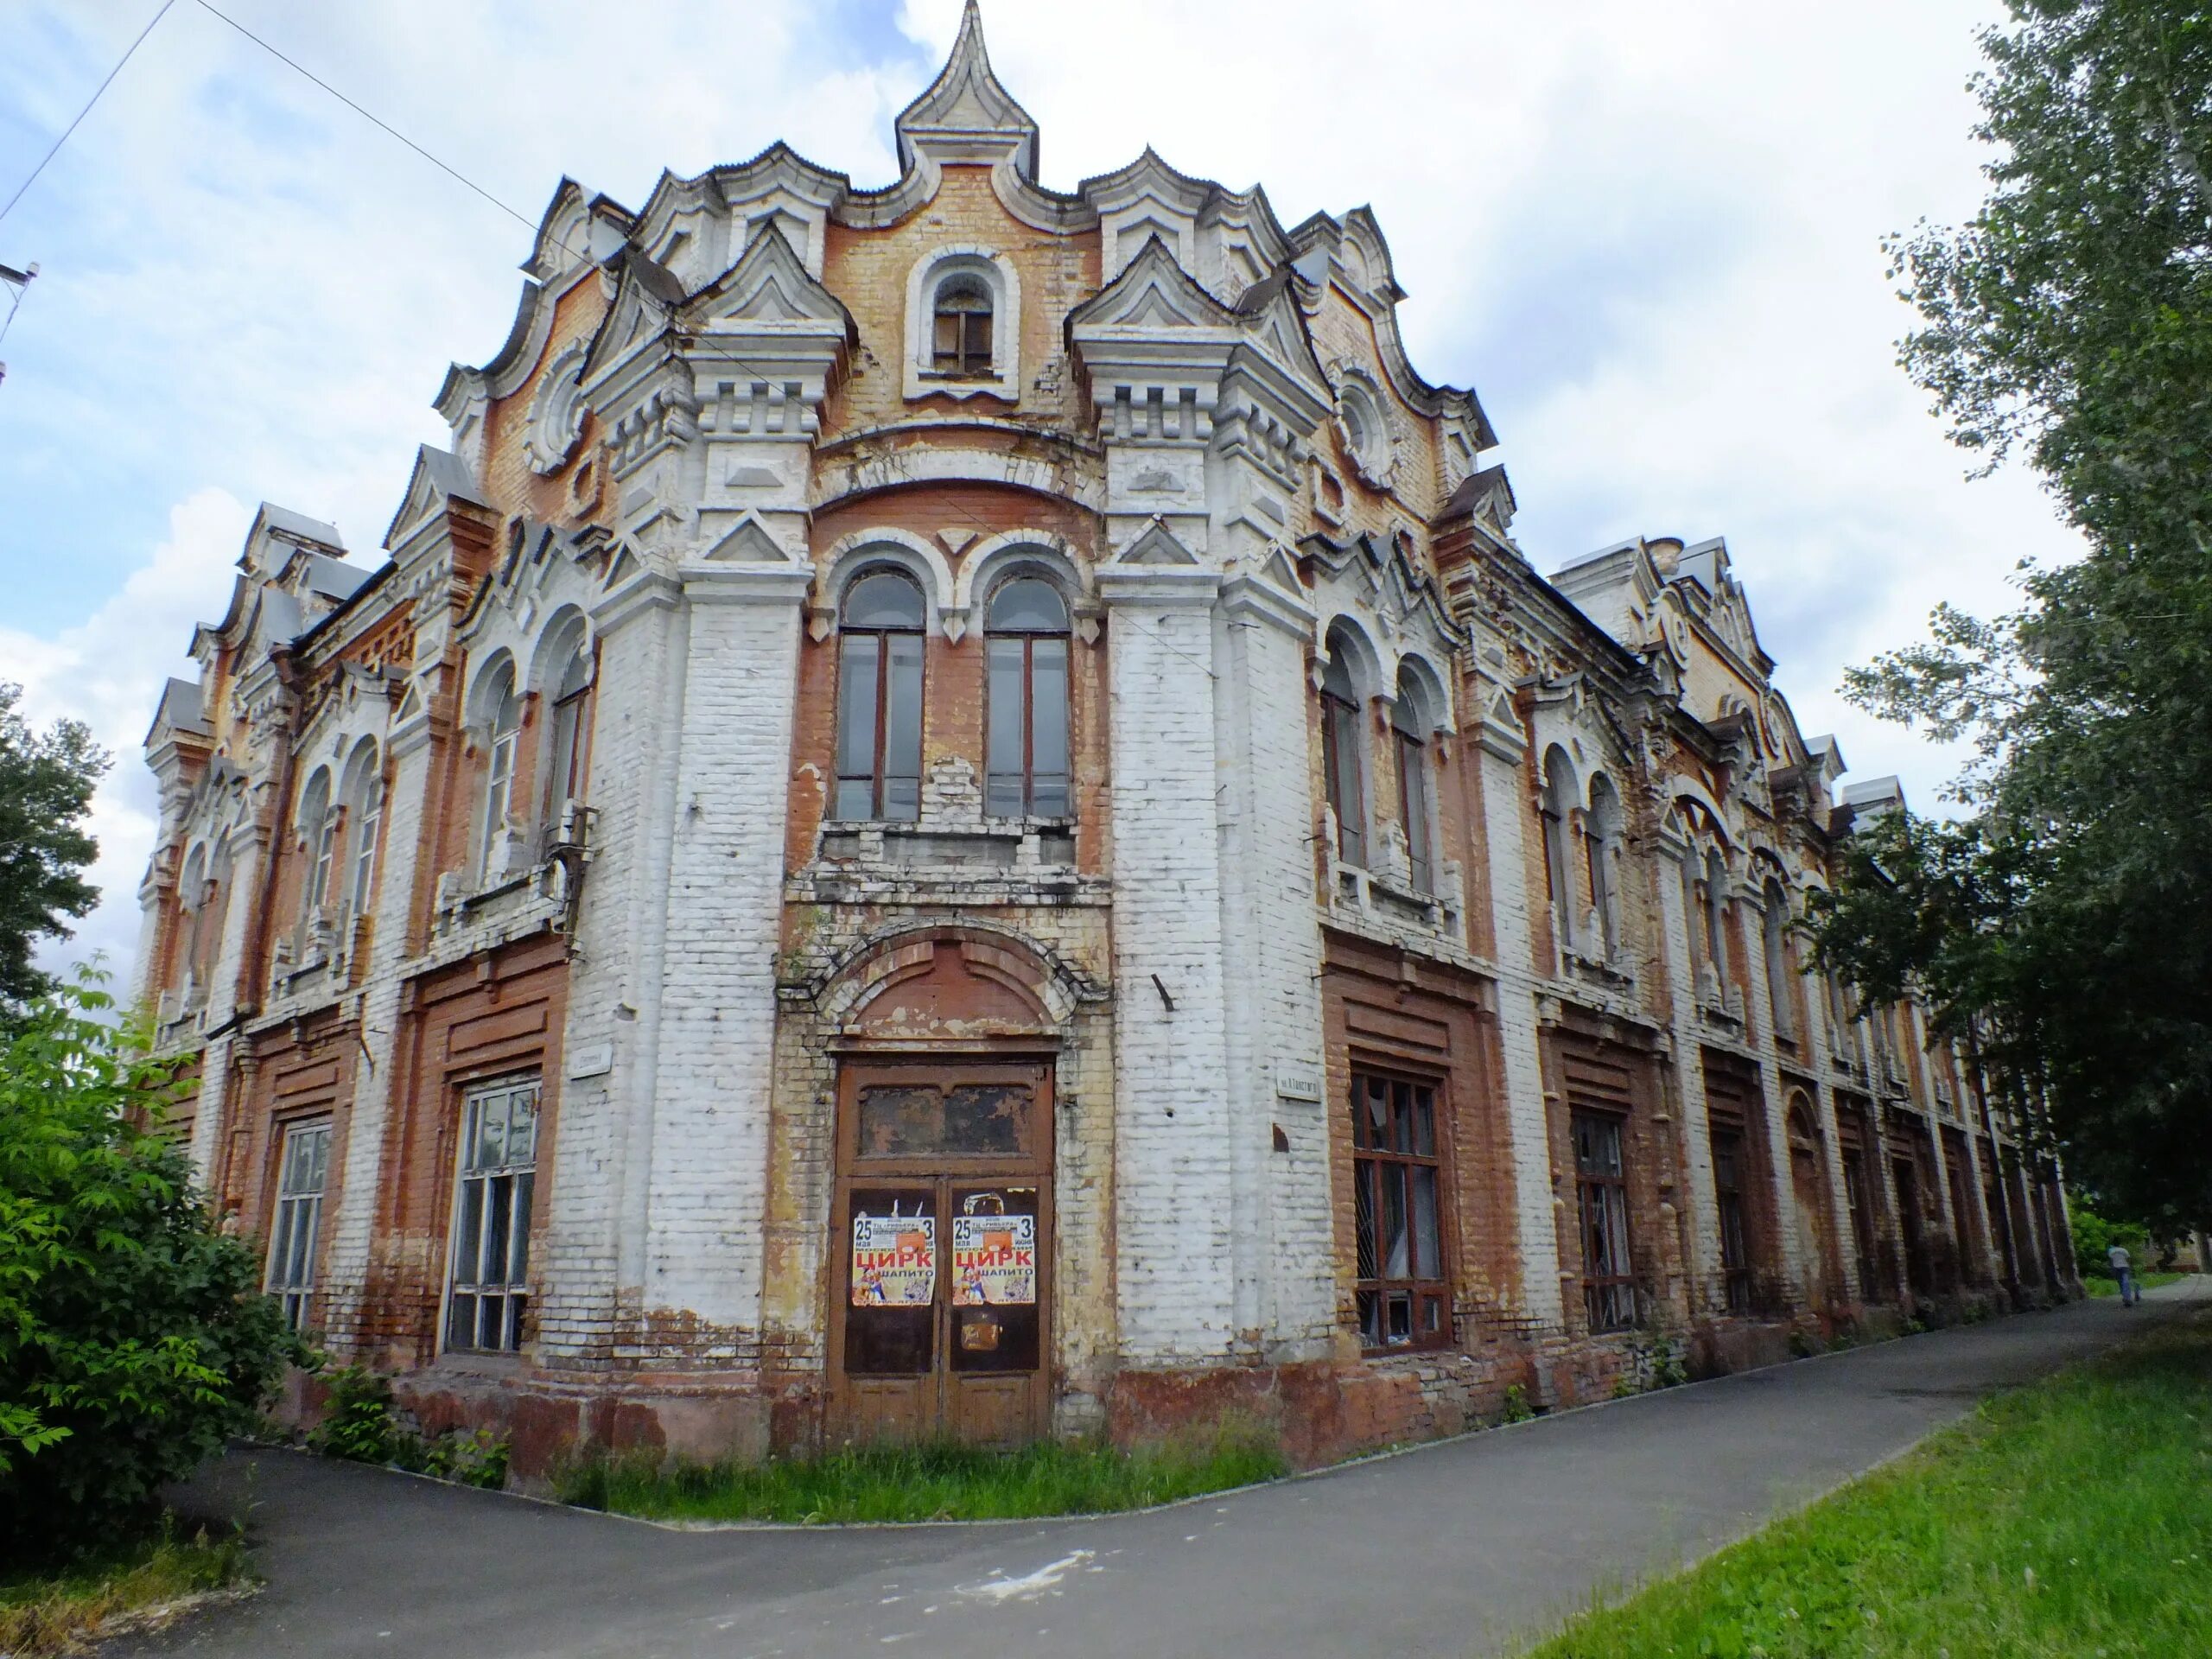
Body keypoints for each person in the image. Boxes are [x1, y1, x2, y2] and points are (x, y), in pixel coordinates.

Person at [2107, 1241, 2138, 1306]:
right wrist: (2131, 1267)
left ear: (2113, 1245)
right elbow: (2129, 1259)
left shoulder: (2111, 1251)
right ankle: (2128, 1298)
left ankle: (2126, 1297)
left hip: (2116, 1268)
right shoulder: (2124, 1250)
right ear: (2120, 1244)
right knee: (2126, 1282)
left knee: (2121, 1283)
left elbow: (2111, 1261)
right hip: (2124, 1267)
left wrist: (2111, 1270)